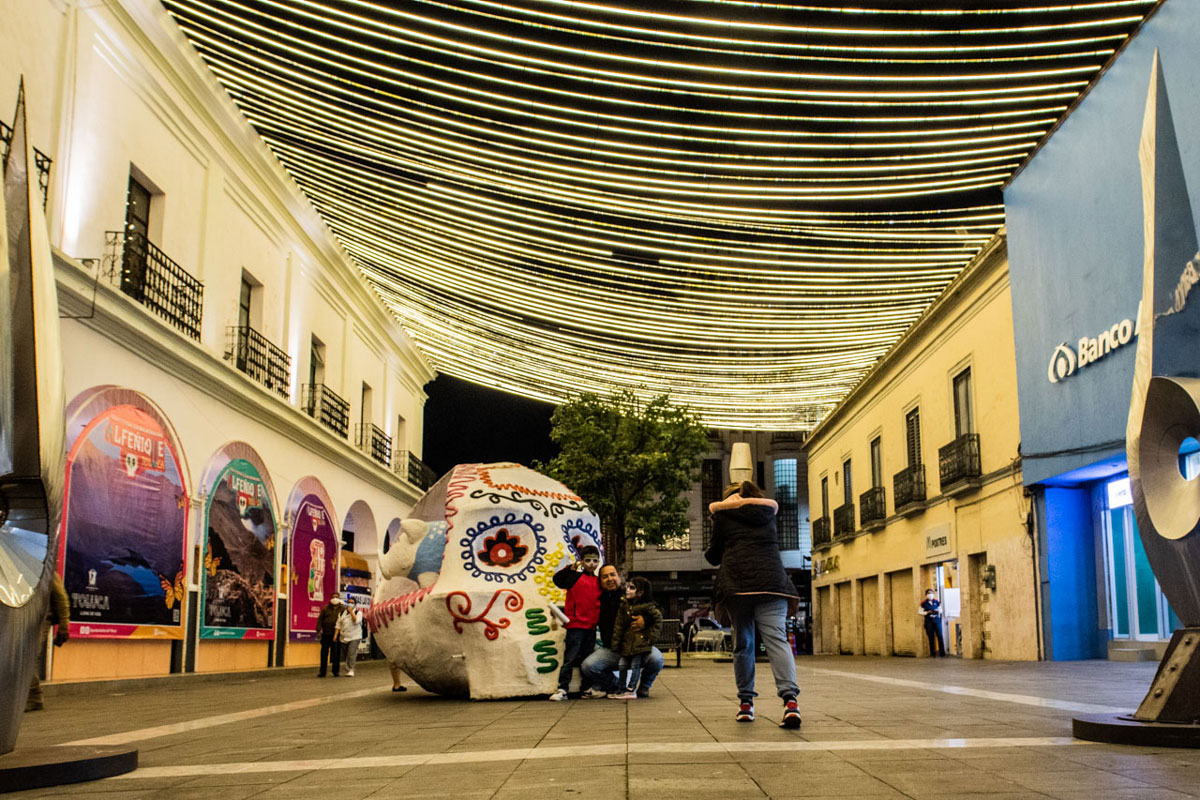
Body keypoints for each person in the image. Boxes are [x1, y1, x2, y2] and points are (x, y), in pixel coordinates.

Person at [705, 480, 802, 728]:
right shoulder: (767, 514)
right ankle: (790, 702)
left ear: (729, 499)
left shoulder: (723, 516)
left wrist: (715, 526)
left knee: (743, 644)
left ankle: (746, 704)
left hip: (738, 585)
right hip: (772, 582)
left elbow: (713, 556)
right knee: (777, 640)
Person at [580, 565, 664, 698]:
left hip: (636, 648)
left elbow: (656, 609)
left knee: (656, 659)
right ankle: (616, 686)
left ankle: (644, 686)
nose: (609, 579)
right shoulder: (597, 598)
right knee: (588, 666)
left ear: (619, 577)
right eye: (604, 576)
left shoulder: (631, 594)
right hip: (612, 650)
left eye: (612, 575)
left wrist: (646, 619)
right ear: (600, 581)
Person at [548, 545, 603, 700]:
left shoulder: (599, 582)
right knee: (570, 658)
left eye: (595, 561)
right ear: (582, 562)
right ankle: (562, 688)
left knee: (586, 659)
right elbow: (557, 580)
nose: (592, 564)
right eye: (588, 560)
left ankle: (586, 688)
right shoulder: (573, 577)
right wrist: (569, 569)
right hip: (575, 625)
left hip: (591, 627)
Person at [607, 577, 662, 699]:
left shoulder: (646, 607)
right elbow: (619, 626)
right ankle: (622, 688)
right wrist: (616, 643)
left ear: (640, 592)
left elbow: (657, 619)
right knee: (623, 665)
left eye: (632, 587)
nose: (627, 590)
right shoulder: (625, 606)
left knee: (635, 666)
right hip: (627, 643)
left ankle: (631, 689)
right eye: (627, 586)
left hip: (638, 644)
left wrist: (648, 639)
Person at [25, 576, 70, 712]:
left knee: (29, 657)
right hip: (23, 618)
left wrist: (64, 624)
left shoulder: (46, 570)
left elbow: (61, 597)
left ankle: (34, 698)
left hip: (41, 618)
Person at [316, 595, 343, 677]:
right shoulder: (325, 608)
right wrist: (318, 629)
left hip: (337, 634)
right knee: (324, 653)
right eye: (333, 597)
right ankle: (322, 671)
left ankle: (335, 671)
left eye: (336, 597)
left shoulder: (342, 609)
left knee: (336, 654)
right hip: (326, 634)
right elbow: (320, 620)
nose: (335, 599)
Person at [338, 597, 364, 676]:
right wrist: (336, 635)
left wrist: (351, 612)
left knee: (351, 653)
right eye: (349, 602)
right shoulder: (342, 613)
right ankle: (348, 668)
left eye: (352, 603)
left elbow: (356, 621)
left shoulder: (358, 612)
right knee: (346, 654)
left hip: (355, 636)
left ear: (355, 604)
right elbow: (338, 624)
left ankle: (351, 669)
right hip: (344, 636)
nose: (350, 604)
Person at [920, 588, 946, 657]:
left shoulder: (937, 602)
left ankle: (942, 653)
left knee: (940, 636)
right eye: (928, 593)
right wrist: (927, 612)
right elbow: (920, 612)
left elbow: (941, 610)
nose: (930, 594)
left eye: (931, 593)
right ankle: (933, 653)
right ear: (926, 595)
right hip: (929, 621)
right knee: (931, 637)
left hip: (937, 620)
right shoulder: (923, 603)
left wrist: (937, 611)